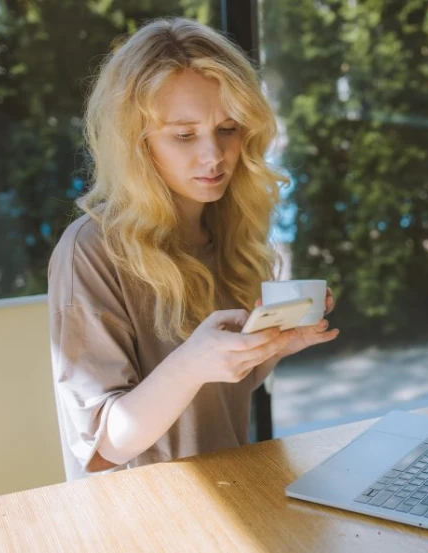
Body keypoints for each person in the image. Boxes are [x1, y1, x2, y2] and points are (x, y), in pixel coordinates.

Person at [47, 17, 339, 480]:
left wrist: (273, 345)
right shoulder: (91, 251)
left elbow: (218, 395)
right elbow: (101, 447)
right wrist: (190, 363)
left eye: (228, 128)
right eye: (184, 135)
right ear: (137, 144)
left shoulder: (230, 231)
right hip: (141, 518)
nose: (214, 155)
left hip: (233, 491)